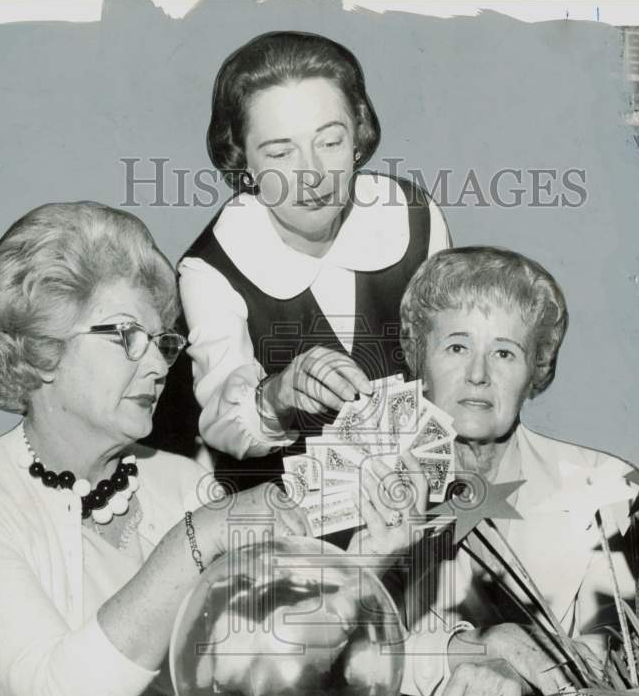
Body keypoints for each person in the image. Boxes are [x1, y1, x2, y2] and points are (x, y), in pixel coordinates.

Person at [0, 202, 308, 696]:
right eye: (125, 336)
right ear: (41, 347)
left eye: (161, 341)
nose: (157, 366)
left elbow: (264, 668)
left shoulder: (184, 482)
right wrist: (196, 538)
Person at [161, 30, 451, 488]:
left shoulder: (413, 216)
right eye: (280, 153)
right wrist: (276, 395)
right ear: (244, 163)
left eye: (330, 142)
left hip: (419, 501)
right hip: (286, 527)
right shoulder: (210, 267)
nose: (312, 175)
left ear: (357, 136)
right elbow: (220, 421)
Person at [393, 246, 639, 696]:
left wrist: (518, 667)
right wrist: (474, 650)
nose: (478, 375)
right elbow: (335, 648)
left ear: (536, 371)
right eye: (456, 347)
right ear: (420, 360)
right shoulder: (365, 482)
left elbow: (631, 661)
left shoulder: (603, 487)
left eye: (504, 352)